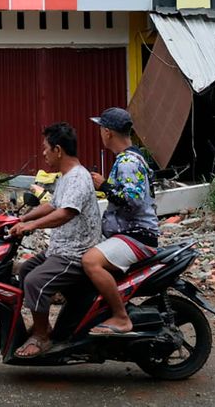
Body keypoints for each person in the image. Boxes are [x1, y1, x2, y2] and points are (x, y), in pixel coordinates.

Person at [9, 122, 101, 358]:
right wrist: (21, 218)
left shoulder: (79, 178)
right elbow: (52, 205)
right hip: (59, 248)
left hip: (75, 253)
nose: (43, 153)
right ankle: (44, 325)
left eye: (45, 148)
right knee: (26, 270)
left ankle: (41, 337)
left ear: (58, 150)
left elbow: (65, 212)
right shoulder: (65, 177)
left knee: (34, 281)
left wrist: (31, 225)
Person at [83, 107, 159, 334]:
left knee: (90, 261)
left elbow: (132, 200)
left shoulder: (127, 162)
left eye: (101, 129)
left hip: (137, 236)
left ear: (108, 133)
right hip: (129, 235)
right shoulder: (132, 157)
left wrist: (104, 186)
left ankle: (121, 317)